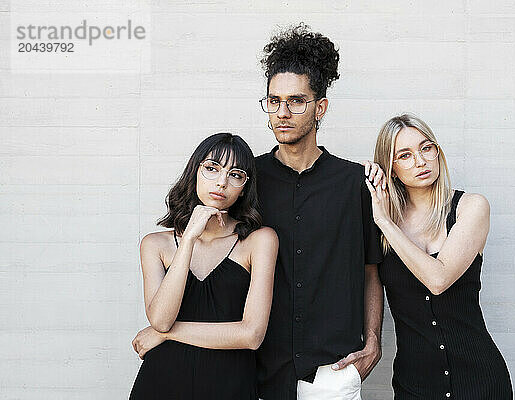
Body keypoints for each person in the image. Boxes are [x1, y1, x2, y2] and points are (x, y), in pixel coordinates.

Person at [254, 24, 385, 400]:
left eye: (296, 101)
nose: (282, 112)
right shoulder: (249, 180)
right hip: (260, 371)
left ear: (320, 107)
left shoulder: (355, 182)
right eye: (273, 101)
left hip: (333, 372)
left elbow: (370, 268)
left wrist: (373, 341)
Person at [365, 114, 513, 399]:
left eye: (426, 148)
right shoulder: (377, 224)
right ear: (391, 169)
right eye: (404, 155)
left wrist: (385, 221)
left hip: (480, 381)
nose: (420, 161)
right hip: (414, 385)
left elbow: (438, 278)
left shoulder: (470, 207)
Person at [129, 132, 278, 400]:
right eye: (211, 168)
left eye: (235, 175)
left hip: (230, 386)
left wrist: (166, 336)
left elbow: (251, 335)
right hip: (162, 383)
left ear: (244, 186)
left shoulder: (259, 241)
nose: (221, 182)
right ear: (194, 172)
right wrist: (188, 240)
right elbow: (161, 320)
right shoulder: (155, 244)